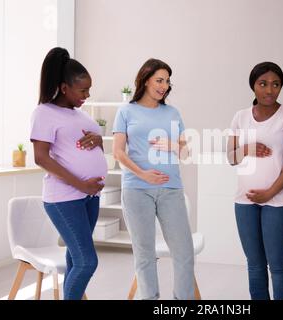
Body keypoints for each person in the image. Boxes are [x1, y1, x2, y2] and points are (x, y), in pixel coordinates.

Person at [112, 58, 194, 300]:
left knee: (184, 253)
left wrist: (172, 144)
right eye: (159, 80)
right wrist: (142, 174)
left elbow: (186, 153)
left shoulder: (173, 113)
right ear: (145, 79)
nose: (164, 86)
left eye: (167, 81)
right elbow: (118, 152)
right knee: (145, 254)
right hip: (137, 189)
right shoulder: (126, 111)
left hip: (171, 189)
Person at [30, 47, 107, 300]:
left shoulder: (80, 114)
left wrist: (99, 140)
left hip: (89, 198)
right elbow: (40, 157)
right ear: (64, 88)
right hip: (64, 198)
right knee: (87, 262)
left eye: (88, 89)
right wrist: (81, 184)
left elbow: (95, 149)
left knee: (75, 258)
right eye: (82, 90)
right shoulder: (44, 113)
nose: (87, 95)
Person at [227, 62, 283, 300]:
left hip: (280, 202)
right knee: (254, 265)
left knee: (278, 266)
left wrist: (269, 193)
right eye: (263, 84)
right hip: (245, 201)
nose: (269, 90)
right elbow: (231, 158)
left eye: (276, 84)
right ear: (253, 86)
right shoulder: (240, 117)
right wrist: (248, 148)